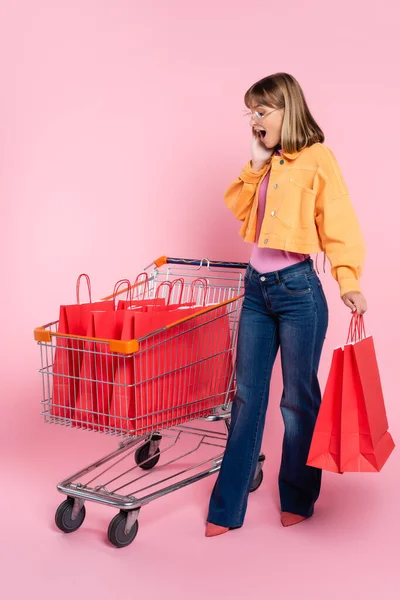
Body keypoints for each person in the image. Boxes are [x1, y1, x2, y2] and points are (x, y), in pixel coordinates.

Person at [206, 72, 367, 537]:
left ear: (286, 110)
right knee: (245, 397)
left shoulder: (318, 160)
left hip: (299, 292)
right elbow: (238, 208)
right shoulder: (266, 161)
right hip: (256, 290)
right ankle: (226, 507)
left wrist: (348, 279)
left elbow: (339, 221)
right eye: (250, 112)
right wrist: (255, 162)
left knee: (298, 400)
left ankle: (298, 496)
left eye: (262, 111)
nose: (254, 120)